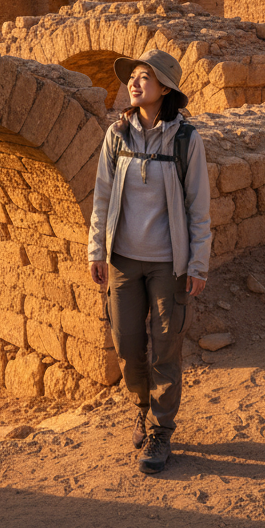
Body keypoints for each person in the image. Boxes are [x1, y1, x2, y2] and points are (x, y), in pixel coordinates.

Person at [87, 48, 212, 475]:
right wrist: (96, 250)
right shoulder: (116, 136)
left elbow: (199, 207)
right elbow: (102, 196)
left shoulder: (185, 141)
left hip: (167, 264)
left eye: (146, 77)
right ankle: (141, 405)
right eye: (134, 76)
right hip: (122, 259)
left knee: (166, 349)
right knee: (126, 346)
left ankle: (161, 429)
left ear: (166, 89)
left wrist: (197, 264)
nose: (135, 83)